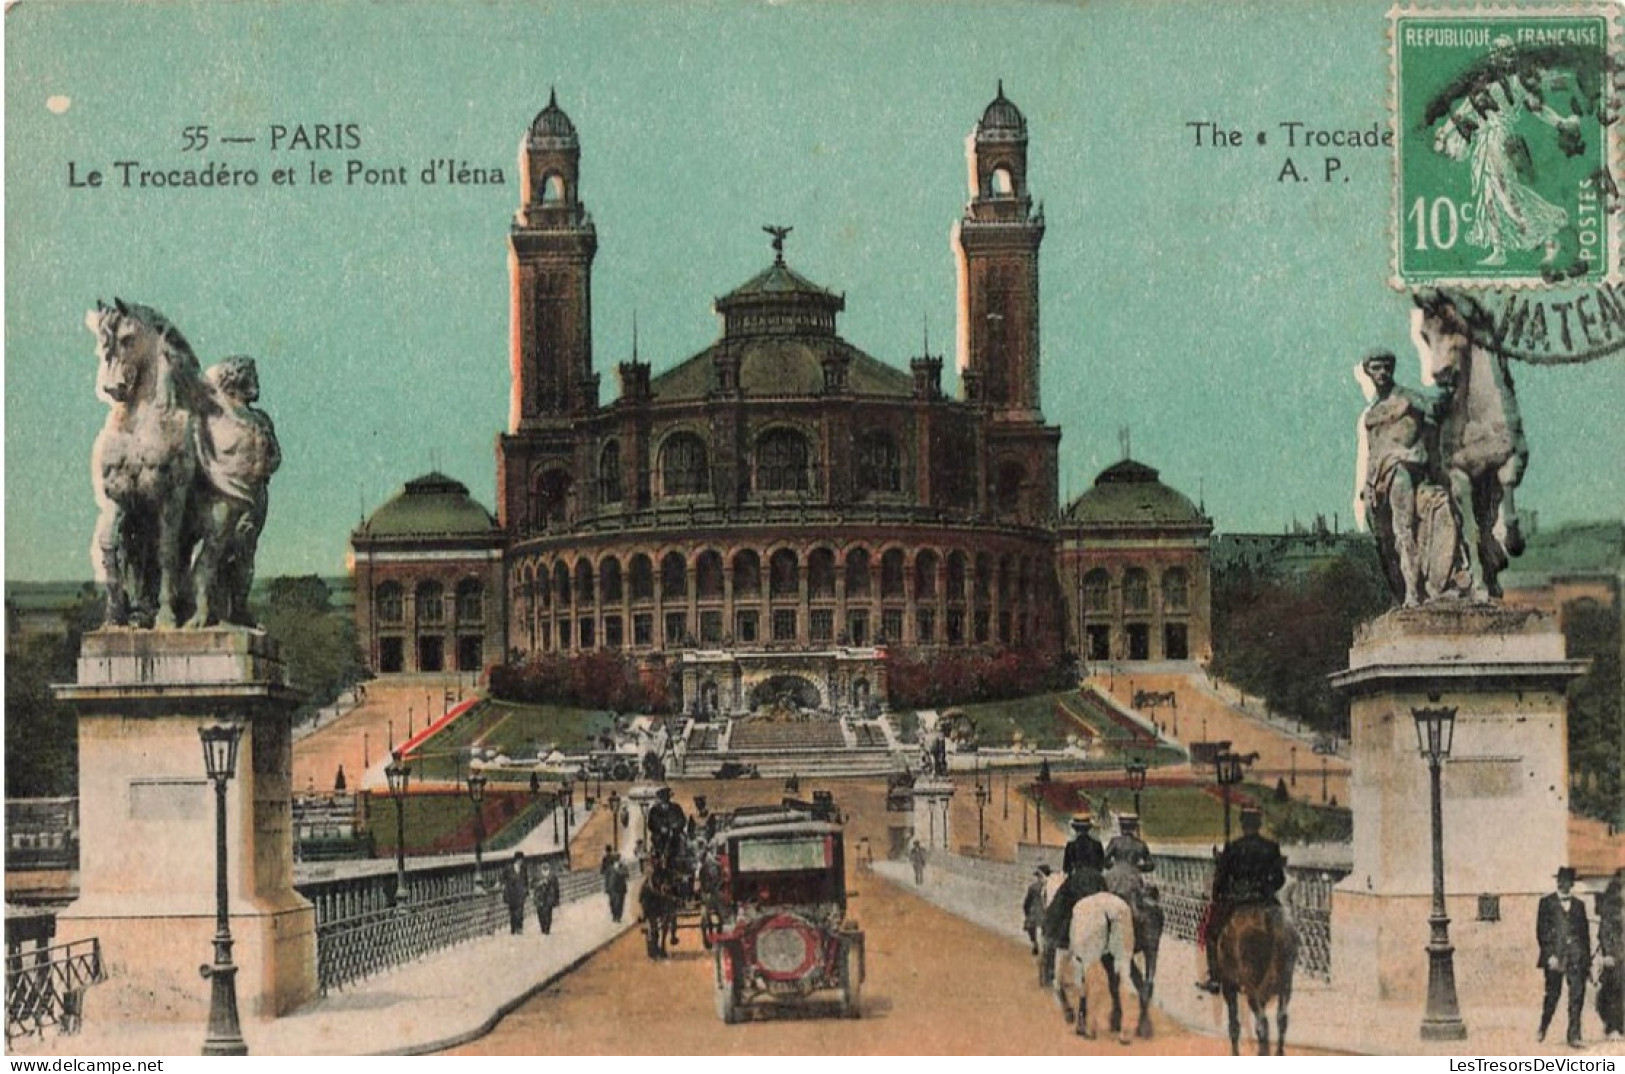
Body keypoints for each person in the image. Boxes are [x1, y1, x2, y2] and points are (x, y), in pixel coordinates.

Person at [1355, 349, 1461, 607]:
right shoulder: (1372, 412)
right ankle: (1401, 591)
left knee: (1403, 531)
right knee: (1384, 541)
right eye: (1376, 368)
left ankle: (1413, 593)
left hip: (1402, 468)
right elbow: (1373, 451)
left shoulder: (1408, 399)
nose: (1382, 373)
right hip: (1377, 478)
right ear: (1368, 371)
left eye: (1386, 368)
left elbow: (1438, 410)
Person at [1197, 806, 1286, 994]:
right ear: (1259, 824)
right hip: (1264, 901)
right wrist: (1265, 891)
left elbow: (1221, 880)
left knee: (1212, 933)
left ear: (1243, 824)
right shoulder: (1271, 847)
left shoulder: (1233, 847)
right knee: (1283, 932)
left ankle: (1214, 978)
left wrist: (1220, 895)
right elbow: (1279, 880)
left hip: (1238, 902)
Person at [1537, 866, 1592, 1047]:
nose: (1564, 884)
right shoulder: (1546, 903)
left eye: (1568, 881)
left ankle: (1574, 1036)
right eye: (1561, 881)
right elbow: (1541, 932)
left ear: (1572, 884)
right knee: (1553, 994)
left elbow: (1585, 935)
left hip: (1576, 957)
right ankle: (1543, 1026)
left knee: (1577, 995)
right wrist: (1549, 955)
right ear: (1557, 882)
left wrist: (1587, 961)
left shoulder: (1579, 905)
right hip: (1556, 957)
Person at [1596, 869, 1623, 1042]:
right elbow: (1605, 932)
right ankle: (1613, 1027)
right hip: (1617, 955)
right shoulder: (1611, 911)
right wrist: (1608, 953)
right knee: (1615, 990)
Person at [646, 786, 687, 863]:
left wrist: (676, 826)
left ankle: (681, 859)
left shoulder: (676, 807)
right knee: (657, 840)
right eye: (663, 796)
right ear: (660, 798)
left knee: (682, 839)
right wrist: (660, 828)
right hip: (659, 834)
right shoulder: (654, 810)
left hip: (675, 832)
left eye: (667, 796)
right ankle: (658, 857)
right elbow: (651, 824)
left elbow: (682, 820)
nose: (665, 798)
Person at [1022, 865, 1052, 955]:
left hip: (1035, 913)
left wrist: (1026, 912)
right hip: (1045, 914)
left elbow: (1026, 903)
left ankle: (1035, 943)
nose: (1038, 878)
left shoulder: (1033, 887)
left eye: (1039, 876)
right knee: (1044, 931)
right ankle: (1042, 946)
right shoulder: (1051, 887)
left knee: (1031, 927)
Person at [501, 851, 529, 935]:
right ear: (517, 860)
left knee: (520, 911)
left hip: (520, 893)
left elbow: (526, 880)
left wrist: (526, 890)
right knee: (512, 912)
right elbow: (502, 878)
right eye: (521, 860)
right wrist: (503, 886)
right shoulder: (509, 868)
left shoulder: (524, 869)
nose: (522, 862)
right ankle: (513, 928)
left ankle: (519, 928)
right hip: (511, 894)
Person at [533, 863, 561, 936]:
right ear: (542, 869)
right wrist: (540, 883)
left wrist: (557, 899)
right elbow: (532, 885)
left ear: (548, 869)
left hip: (549, 898)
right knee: (540, 914)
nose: (545, 870)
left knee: (548, 914)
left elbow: (556, 888)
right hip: (540, 898)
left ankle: (547, 930)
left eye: (547, 868)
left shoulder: (552, 876)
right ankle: (543, 928)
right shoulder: (537, 875)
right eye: (544, 869)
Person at [605, 856, 629, 924]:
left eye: (617, 860)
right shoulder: (609, 869)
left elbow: (627, 875)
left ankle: (618, 917)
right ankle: (614, 916)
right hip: (612, 889)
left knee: (619, 903)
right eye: (615, 860)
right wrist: (606, 888)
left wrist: (623, 870)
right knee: (612, 903)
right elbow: (606, 879)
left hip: (620, 889)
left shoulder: (622, 867)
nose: (617, 861)